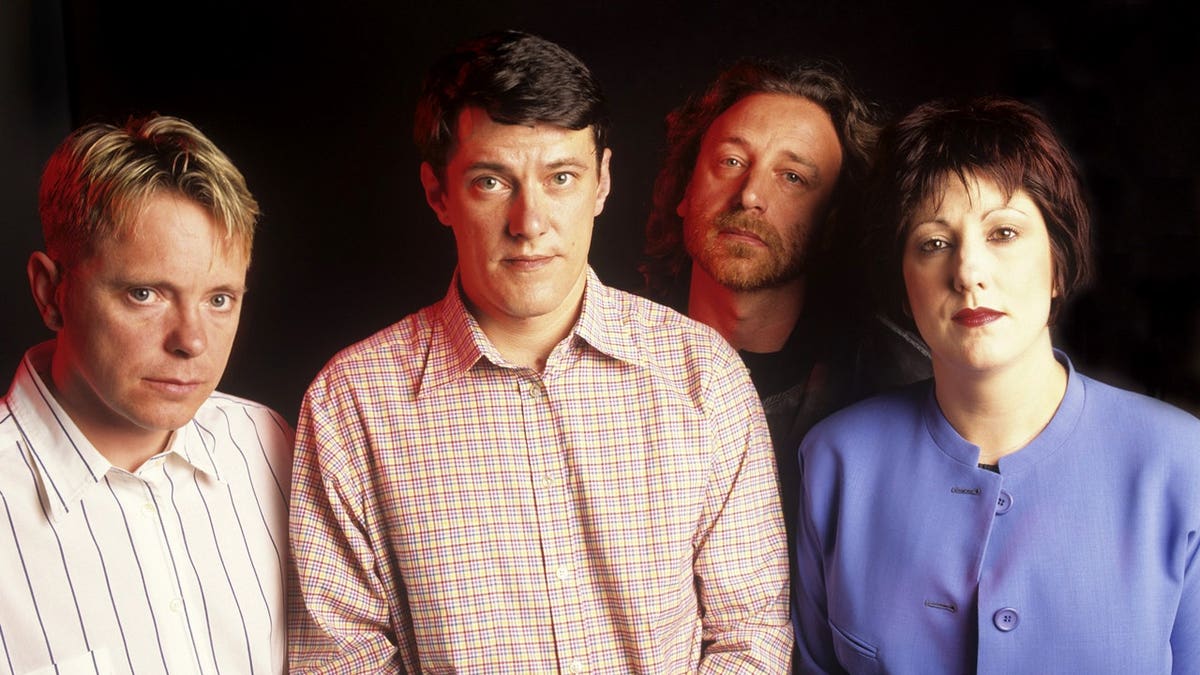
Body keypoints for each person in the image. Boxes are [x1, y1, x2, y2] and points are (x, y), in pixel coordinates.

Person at [288, 30, 792, 672]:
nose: (530, 222)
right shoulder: (349, 404)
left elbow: (750, 638)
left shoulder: (703, 375)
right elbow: (341, 659)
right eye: (492, 181)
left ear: (603, 182)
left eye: (561, 177)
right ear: (438, 193)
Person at [793, 97, 1200, 673]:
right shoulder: (837, 461)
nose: (967, 272)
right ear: (904, 286)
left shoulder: (1181, 463)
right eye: (933, 243)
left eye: (1003, 232)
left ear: (1059, 266)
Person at [0, 115, 292, 674]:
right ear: (49, 291)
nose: (193, 341)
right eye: (145, 293)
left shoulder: (269, 446)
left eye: (219, 299)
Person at [641, 59, 931, 579]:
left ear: (832, 221)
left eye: (793, 177)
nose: (751, 195)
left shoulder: (904, 385)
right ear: (686, 189)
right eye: (731, 161)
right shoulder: (602, 365)